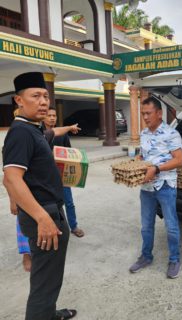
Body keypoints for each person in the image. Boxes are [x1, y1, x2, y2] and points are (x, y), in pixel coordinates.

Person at [2, 72, 76, 320]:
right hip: (44, 215)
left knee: (48, 277)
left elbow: (52, 134)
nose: (43, 101)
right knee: (44, 284)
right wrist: (42, 218)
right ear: (18, 100)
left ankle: (49, 313)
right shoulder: (21, 132)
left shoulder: (35, 130)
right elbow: (12, 177)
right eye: (35, 96)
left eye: (45, 96)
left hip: (50, 211)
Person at [129, 96, 182, 279]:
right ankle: (146, 256)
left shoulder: (171, 133)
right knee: (146, 226)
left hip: (166, 185)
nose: (145, 117)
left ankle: (174, 259)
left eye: (148, 113)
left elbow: (179, 160)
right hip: (147, 187)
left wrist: (157, 169)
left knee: (171, 226)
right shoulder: (144, 134)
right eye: (143, 113)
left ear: (159, 113)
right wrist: (135, 163)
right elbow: (144, 157)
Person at [44, 108, 85, 237]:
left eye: (54, 115)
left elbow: (69, 153)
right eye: (49, 115)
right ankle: (53, 228)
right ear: (44, 117)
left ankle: (74, 226)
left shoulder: (63, 134)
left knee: (69, 202)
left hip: (62, 175)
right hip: (47, 177)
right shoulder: (40, 134)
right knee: (51, 204)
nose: (52, 118)